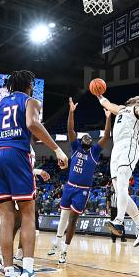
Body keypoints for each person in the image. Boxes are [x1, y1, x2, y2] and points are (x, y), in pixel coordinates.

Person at [0, 70, 68, 277]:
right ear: (30, 86)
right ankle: (29, 273)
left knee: (6, 218)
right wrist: (57, 150)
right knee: (28, 213)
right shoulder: (31, 101)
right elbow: (32, 123)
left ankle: (9, 276)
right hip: (15, 154)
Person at [47, 97, 111, 264]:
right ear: (82, 140)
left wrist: (108, 117)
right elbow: (70, 129)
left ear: (91, 143)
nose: (88, 138)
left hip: (82, 190)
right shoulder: (75, 148)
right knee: (63, 216)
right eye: (85, 137)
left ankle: (64, 252)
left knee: (73, 220)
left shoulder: (95, 152)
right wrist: (71, 112)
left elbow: (106, 135)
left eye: (90, 138)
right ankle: (57, 243)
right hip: (69, 186)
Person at [97, 84, 139, 247]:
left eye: (137, 98)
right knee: (119, 191)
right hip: (116, 149)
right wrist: (98, 95)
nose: (133, 97)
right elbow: (107, 103)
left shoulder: (136, 110)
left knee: (123, 185)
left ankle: (119, 220)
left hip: (128, 146)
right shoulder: (121, 109)